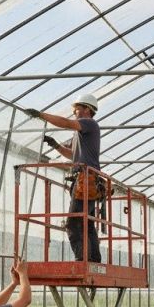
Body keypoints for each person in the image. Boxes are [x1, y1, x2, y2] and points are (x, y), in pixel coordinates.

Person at [24, 94, 102, 263]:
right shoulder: (82, 133)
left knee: (73, 223)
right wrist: (56, 146)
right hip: (86, 180)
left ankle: (82, 260)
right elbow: (72, 155)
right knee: (87, 223)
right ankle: (94, 260)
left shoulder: (89, 123)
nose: (74, 112)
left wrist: (41, 115)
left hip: (86, 180)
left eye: (77, 109)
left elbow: (66, 124)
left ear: (87, 109)